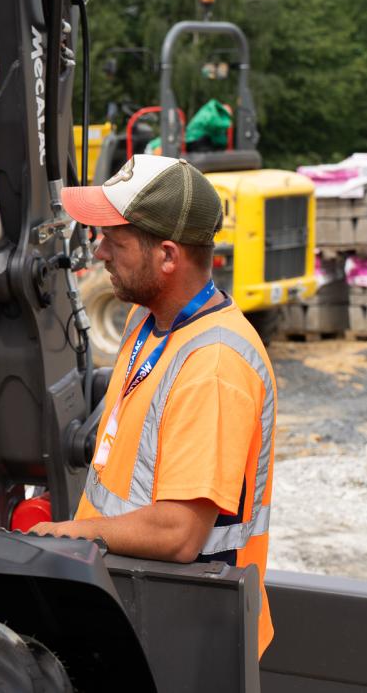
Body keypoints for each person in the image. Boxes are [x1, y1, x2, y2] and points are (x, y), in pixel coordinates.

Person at [29, 154, 277, 657]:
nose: (97, 253)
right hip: (138, 602)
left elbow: (180, 532)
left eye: (113, 242)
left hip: (191, 633)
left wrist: (74, 533)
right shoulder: (149, 320)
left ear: (167, 256)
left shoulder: (215, 366)